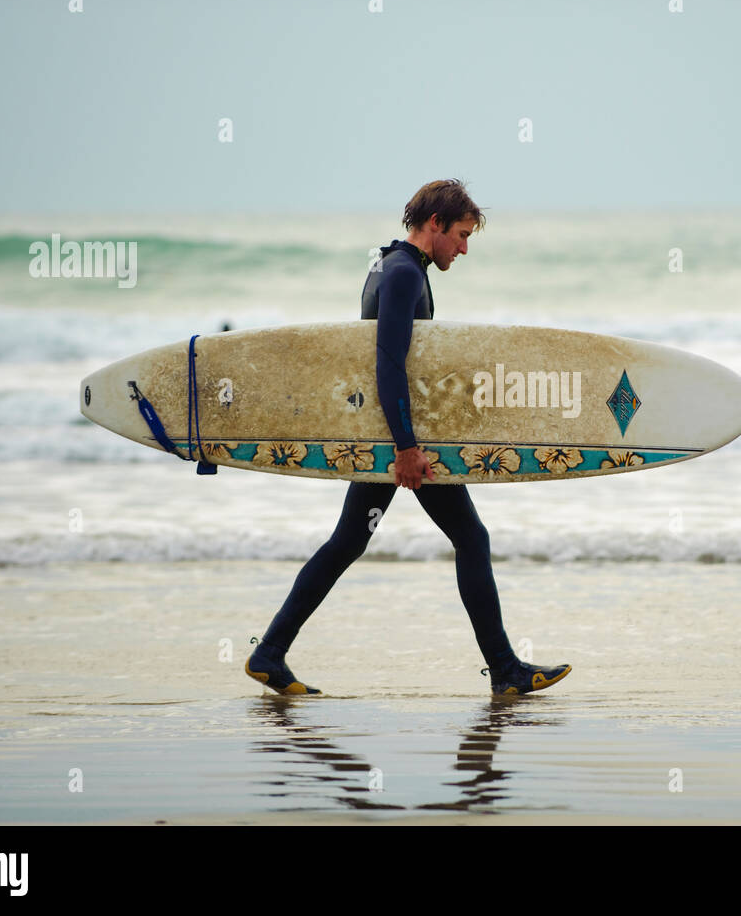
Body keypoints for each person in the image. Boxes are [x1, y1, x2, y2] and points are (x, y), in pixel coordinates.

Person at [245, 180, 572, 697]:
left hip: (384, 432)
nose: (464, 248)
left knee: (349, 542)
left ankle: (269, 653)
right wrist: (406, 447)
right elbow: (388, 363)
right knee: (470, 539)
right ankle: (506, 670)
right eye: (461, 235)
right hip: (398, 437)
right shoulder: (402, 275)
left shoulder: (390, 264)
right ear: (435, 223)